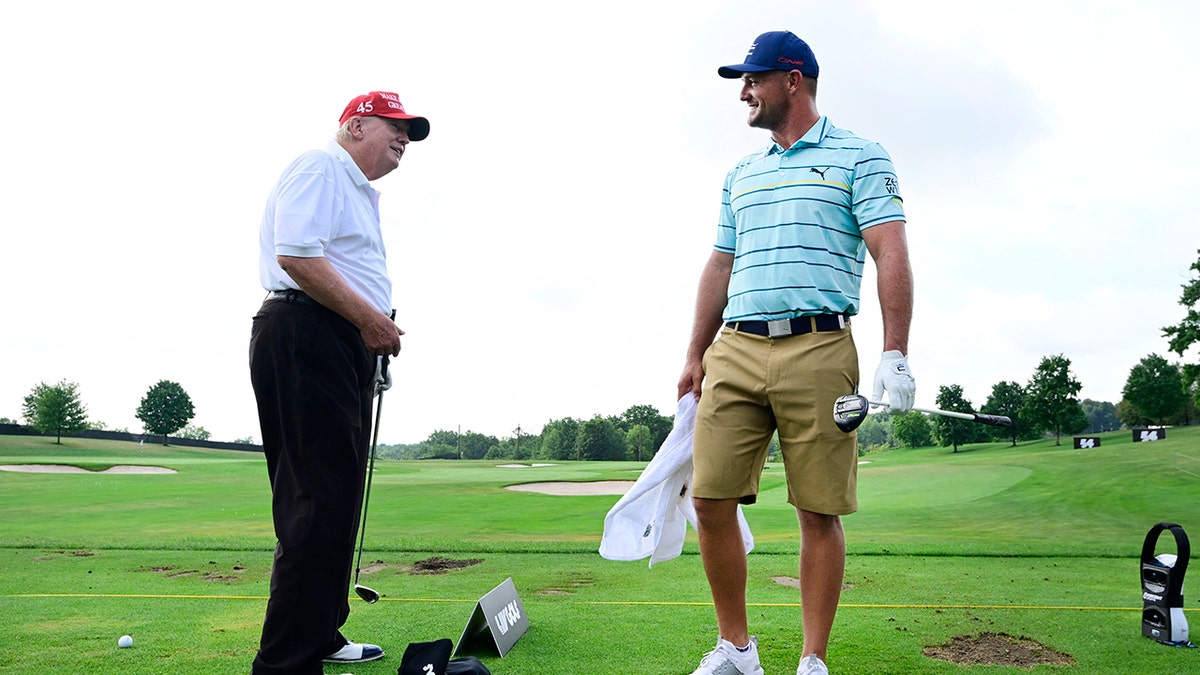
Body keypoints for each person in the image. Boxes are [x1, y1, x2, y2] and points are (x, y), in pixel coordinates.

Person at [676, 31, 915, 675]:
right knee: (708, 497)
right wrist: (696, 352)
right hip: (736, 349)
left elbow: (888, 250)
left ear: (793, 79)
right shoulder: (741, 174)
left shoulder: (860, 156)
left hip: (821, 347)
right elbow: (720, 263)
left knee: (818, 509)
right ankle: (737, 649)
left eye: (753, 79)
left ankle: (812, 659)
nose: (744, 92)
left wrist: (895, 352)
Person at [248, 90, 430, 675]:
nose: (404, 138)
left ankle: (321, 632)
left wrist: (367, 332)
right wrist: (370, 319)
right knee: (314, 502)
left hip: (337, 341)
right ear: (355, 126)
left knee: (337, 501)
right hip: (306, 332)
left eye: (409, 131)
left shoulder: (354, 189)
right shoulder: (320, 166)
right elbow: (298, 256)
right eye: (394, 126)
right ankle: (286, 663)